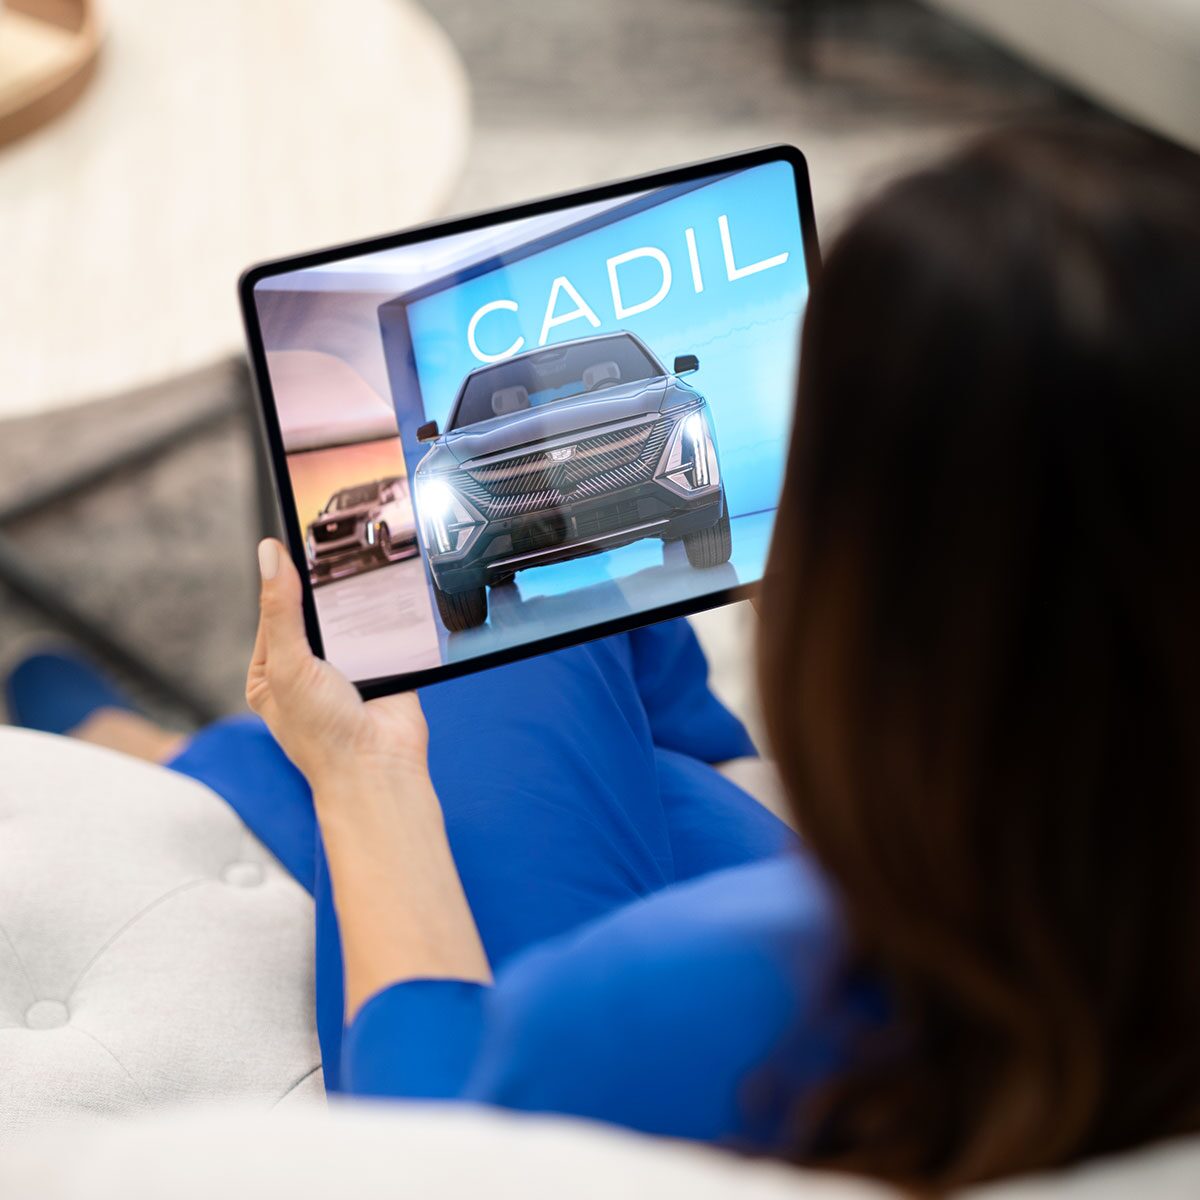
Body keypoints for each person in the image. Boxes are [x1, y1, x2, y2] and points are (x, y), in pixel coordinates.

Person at [7, 122, 1200, 1191]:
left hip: (765, 969)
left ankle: (188, 752)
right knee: (588, 627)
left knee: (477, 639)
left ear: (880, 631)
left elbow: (428, 1142)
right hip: (930, 899)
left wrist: (361, 776)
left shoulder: (687, 1007)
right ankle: (181, 748)